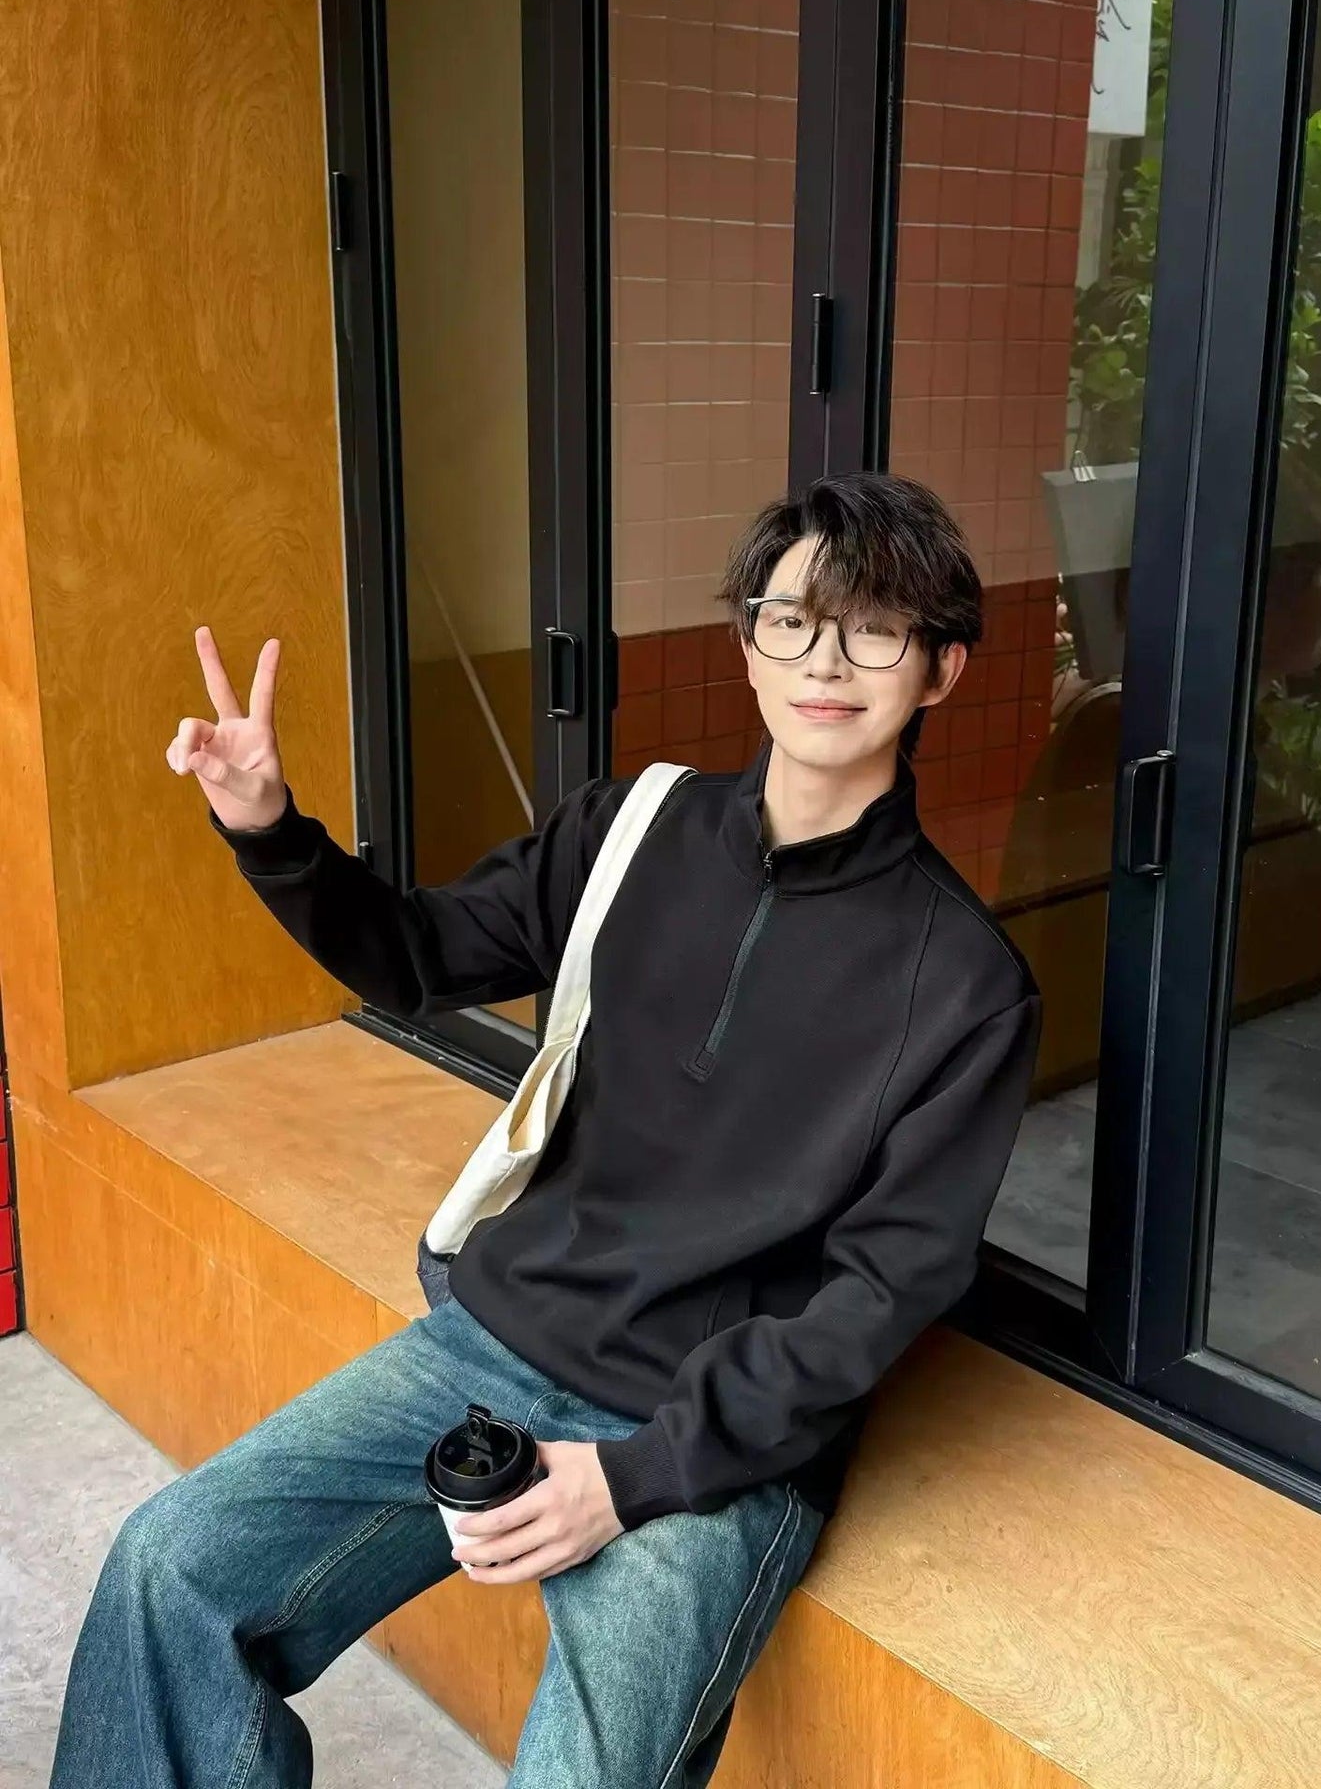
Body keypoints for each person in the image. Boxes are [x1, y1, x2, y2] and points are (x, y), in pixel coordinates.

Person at [51, 471, 1042, 1788]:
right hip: (498, 1341)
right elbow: (418, 954)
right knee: (171, 1570)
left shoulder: (966, 984)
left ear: (940, 670)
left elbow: (876, 1300)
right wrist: (270, 831)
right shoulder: (628, 831)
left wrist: (634, 1477)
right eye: (793, 619)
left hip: (711, 1437)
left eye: (874, 631)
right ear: (747, 642)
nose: (824, 661)